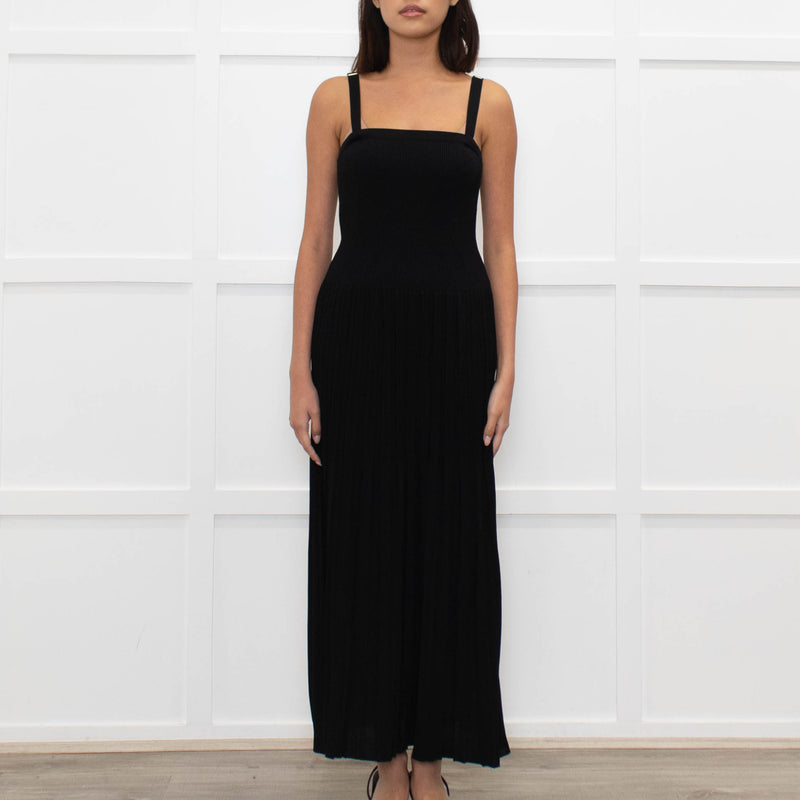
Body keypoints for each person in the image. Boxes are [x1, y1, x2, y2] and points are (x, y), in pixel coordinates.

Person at [289, 1, 518, 798]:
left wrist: (507, 368)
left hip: (456, 350)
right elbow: (315, 240)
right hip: (356, 351)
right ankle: (386, 760)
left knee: (449, 547)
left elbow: (501, 245)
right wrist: (299, 368)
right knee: (367, 547)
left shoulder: (488, 104)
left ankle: (432, 763)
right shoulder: (336, 99)